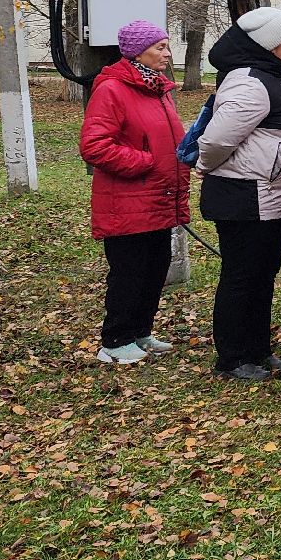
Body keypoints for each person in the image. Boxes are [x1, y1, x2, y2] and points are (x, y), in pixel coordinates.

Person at [196, 6, 281, 380]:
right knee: (242, 277)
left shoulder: (269, 75)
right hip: (244, 197)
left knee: (262, 275)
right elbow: (214, 141)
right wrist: (207, 167)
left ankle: (258, 349)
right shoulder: (249, 83)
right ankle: (232, 358)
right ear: (270, 44)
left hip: (268, 197)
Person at [79, 20, 190, 365]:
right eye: (160, 47)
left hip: (158, 197)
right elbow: (94, 146)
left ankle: (140, 332)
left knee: (154, 268)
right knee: (129, 272)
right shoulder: (113, 89)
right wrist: (145, 162)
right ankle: (114, 340)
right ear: (137, 51)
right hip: (127, 201)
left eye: (167, 46)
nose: (167, 54)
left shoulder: (157, 89)